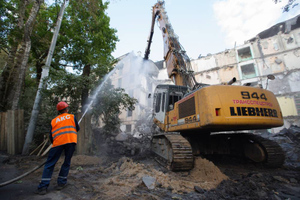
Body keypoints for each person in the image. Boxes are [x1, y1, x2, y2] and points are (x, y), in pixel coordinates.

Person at [35, 101, 80, 195]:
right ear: (66, 109)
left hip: (58, 143)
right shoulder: (72, 117)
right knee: (66, 162)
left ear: (58, 111)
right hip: (70, 142)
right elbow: (77, 129)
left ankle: (43, 187)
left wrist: (55, 143)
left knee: (50, 164)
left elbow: (51, 136)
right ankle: (61, 183)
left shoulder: (54, 120)